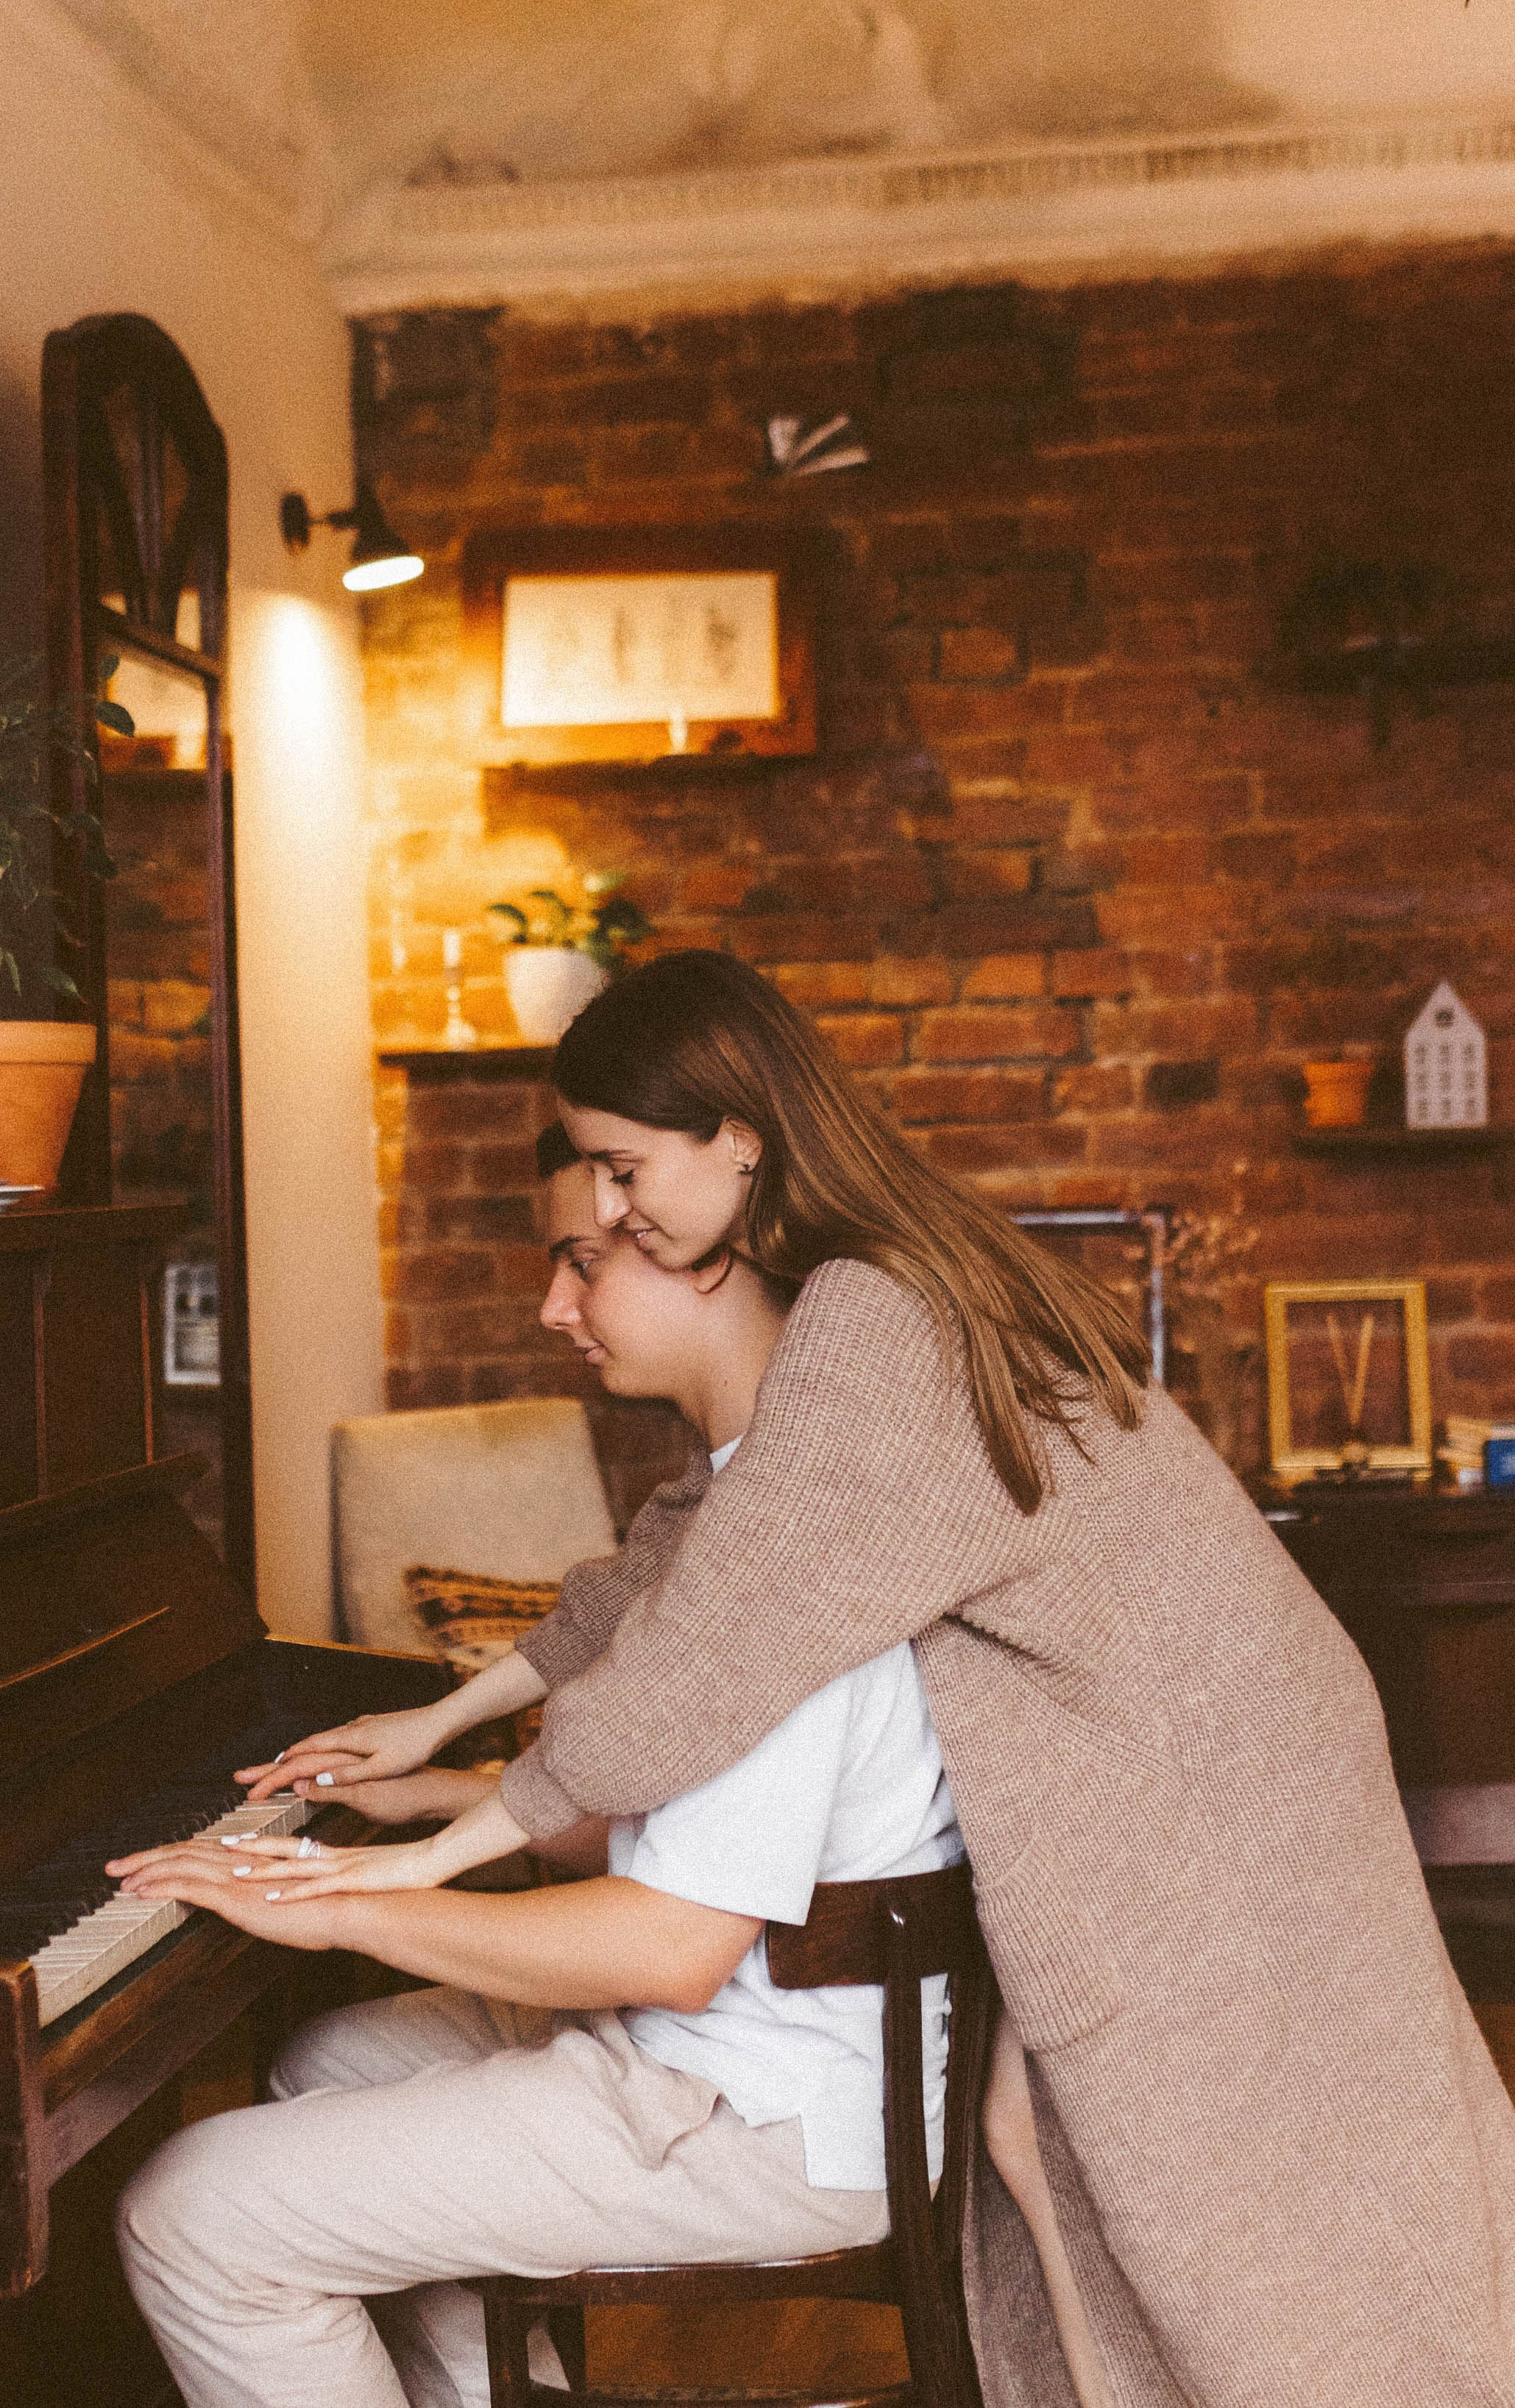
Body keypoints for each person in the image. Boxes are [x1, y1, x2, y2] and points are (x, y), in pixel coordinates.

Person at [257, 953, 1515, 2407]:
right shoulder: (880, 1283)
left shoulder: (870, 1317)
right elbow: (676, 1560)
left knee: (1240, 2211)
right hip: (1197, 1752)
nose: (604, 1214)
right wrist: (445, 1721)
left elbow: (711, 1633)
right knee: (1071, 2163)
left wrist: (452, 1841)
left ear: (738, 1136)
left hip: (1194, 1779)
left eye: (619, 1169)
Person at [107, 1136, 966, 2408]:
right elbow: (693, 1835)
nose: (554, 1306)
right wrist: (433, 1802)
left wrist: (338, 1903)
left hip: (765, 2106)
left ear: (711, 1258)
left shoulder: (787, 1549)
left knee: (189, 2213)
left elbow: (671, 1944)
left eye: (585, 1263)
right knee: (321, 2064)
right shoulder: (752, 1497)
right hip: (755, 2046)